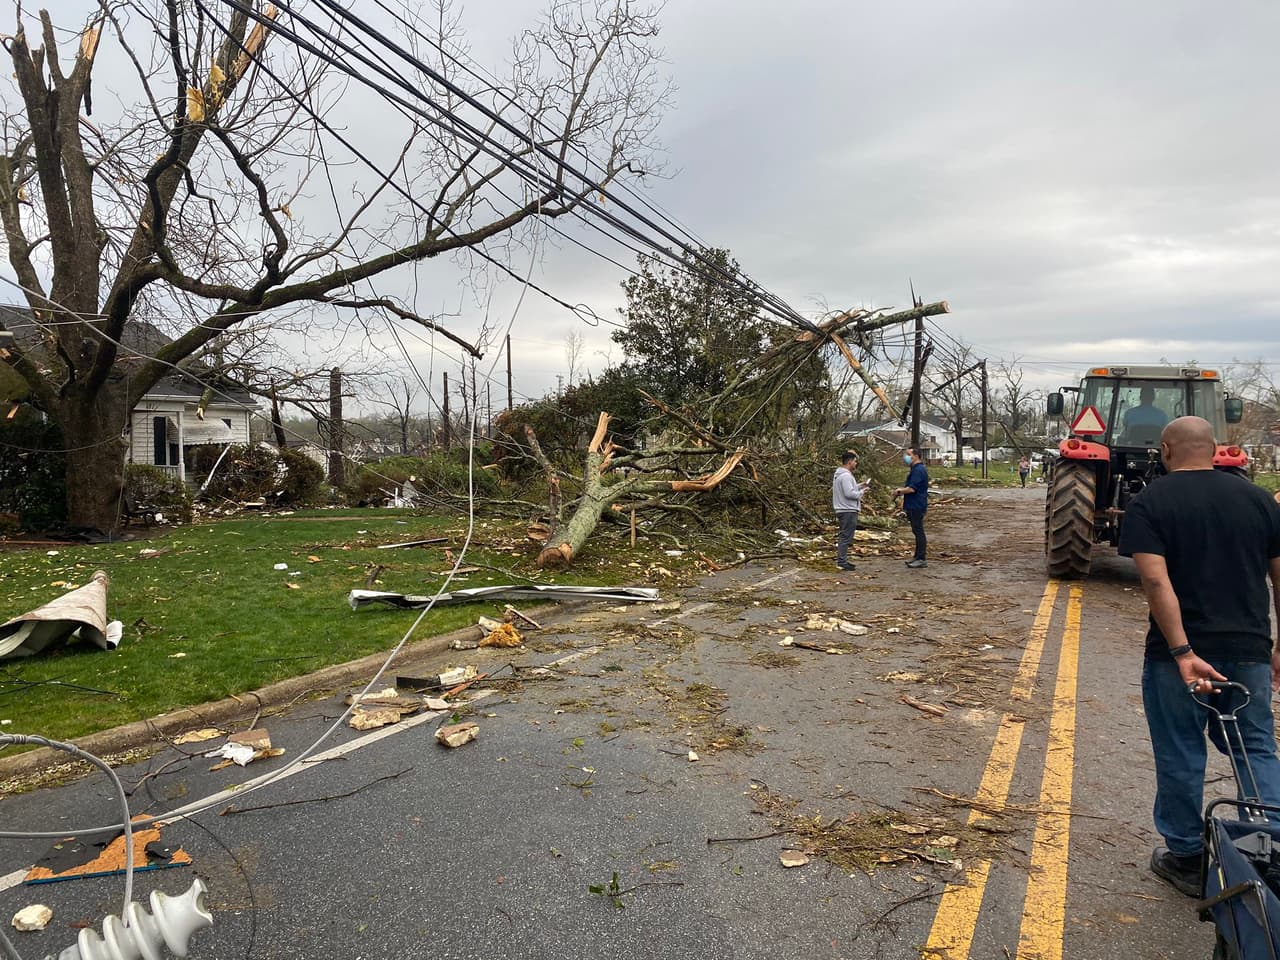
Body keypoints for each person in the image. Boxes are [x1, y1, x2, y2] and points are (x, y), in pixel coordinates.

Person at [1118, 416, 1280, 897]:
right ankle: (1271, 849)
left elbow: (1154, 581)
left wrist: (1184, 650)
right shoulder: (1259, 501)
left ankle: (1188, 857)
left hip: (1177, 661)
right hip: (1248, 648)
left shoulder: (1150, 502)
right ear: (1215, 449)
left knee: (1181, 751)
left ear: (1166, 451)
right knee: (1255, 748)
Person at [831, 450, 870, 571]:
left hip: (843, 508)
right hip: (847, 509)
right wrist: (862, 492)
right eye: (854, 461)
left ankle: (843, 560)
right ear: (849, 462)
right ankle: (842, 561)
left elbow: (848, 489)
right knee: (846, 535)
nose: (856, 463)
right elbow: (849, 493)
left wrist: (859, 485)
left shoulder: (840, 475)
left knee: (846, 534)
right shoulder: (846, 476)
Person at [893, 447, 929, 568]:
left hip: (917, 505)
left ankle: (921, 558)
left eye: (908, 454)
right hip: (913, 504)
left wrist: (899, 491)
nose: (906, 457)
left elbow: (912, 489)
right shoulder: (915, 469)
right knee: (916, 530)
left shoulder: (918, 470)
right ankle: (917, 556)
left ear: (916, 456)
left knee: (918, 531)